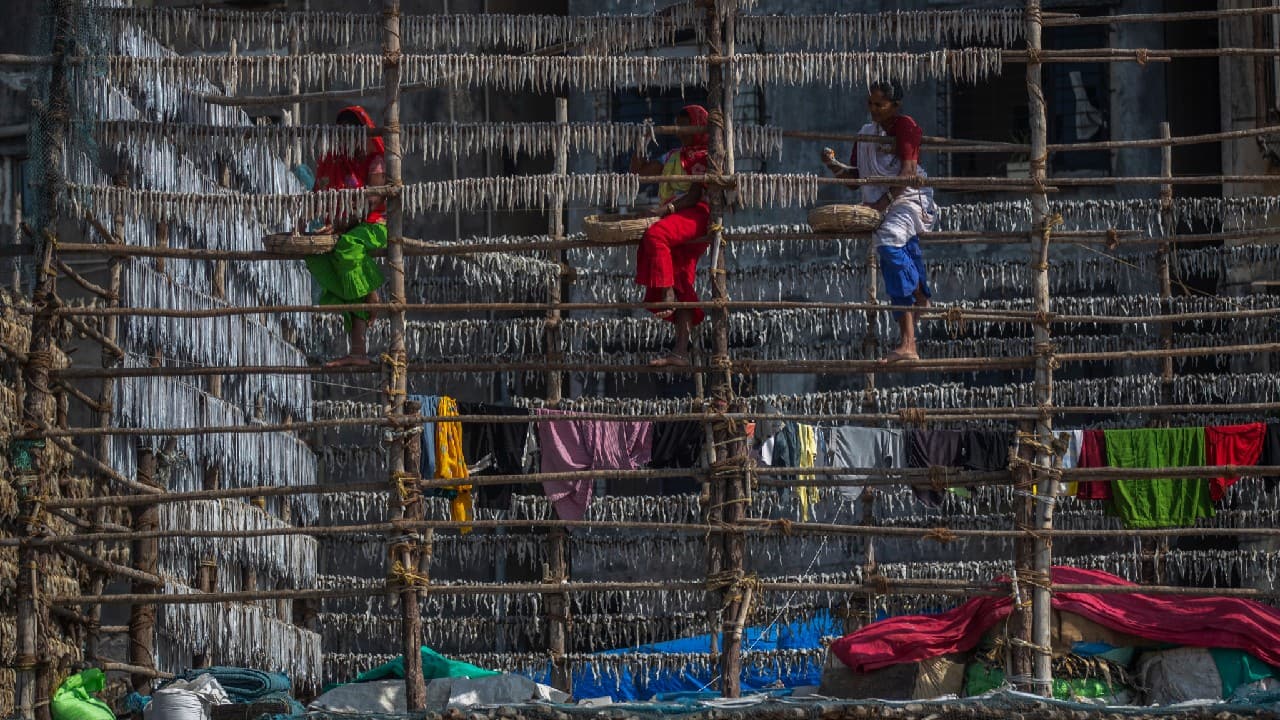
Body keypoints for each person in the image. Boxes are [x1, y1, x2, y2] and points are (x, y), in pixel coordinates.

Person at [821, 81, 938, 363]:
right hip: (881, 201)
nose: (873, 110)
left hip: (908, 199)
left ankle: (908, 342)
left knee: (888, 243)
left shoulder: (905, 126)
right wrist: (834, 166)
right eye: (870, 104)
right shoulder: (866, 134)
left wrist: (881, 203)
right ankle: (920, 294)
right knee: (900, 249)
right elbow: (855, 180)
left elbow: (908, 174)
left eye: (880, 105)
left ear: (895, 106)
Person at [305, 105, 387, 368]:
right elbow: (317, 197)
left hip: (372, 226)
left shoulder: (374, 160)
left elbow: (374, 200)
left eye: (349, 133)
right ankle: (359, 350)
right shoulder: (332, 160)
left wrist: (342, 227)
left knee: (347, 248)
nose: (343, 138)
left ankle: (372, 292)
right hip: (341, 231)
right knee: (318, 258)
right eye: (340, 133)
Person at [630, 104, 711, 367]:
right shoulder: (672, 156)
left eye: (683, 124)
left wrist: (666, 209)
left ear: (699, 125)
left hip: (696, 214)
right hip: (676, 216)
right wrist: (642, 142)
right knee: (682, 282)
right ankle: (680, 352)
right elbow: (638, 173)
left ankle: (666, 295)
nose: (678, 130)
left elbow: (695, 195)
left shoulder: (707, 156)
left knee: (655, 236)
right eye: (676, 124)